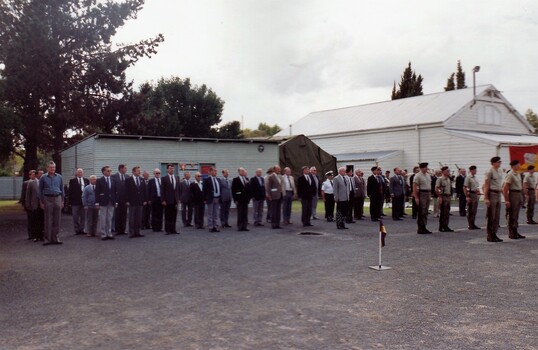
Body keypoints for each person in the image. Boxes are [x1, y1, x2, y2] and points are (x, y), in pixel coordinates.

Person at [38, 161, 65, 245]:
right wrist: (41, 202)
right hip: (47, 199)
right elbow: (40, 190)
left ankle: (55, 238)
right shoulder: (43, 177)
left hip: (57, 198)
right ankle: (47, 239)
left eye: (53, 167)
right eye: (50, 167)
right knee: (48, 219)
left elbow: (62, 189)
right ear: (47, 168)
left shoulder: (59, 177)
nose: (52, 169)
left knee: (57, 219)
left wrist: (62, 201)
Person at [503, 160, 525, 240]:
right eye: (518, 165)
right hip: (513, 194)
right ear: (513, 166)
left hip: (518, 194)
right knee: (512, 214)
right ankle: (511, 233)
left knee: (516, 215)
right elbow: (505, 188)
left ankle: (515, 231)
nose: (519, 166)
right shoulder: (510, 174)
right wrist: (507, 200)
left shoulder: (517, 173)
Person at [484, 157, 504, 242]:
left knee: (497, 216)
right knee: (491, 215)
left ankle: (494, 233)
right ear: (494, 163)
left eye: (500, 161)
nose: (500, 163)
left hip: (498, 194)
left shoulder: (499, 171)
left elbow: (500, 184)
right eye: (498, 162)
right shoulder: (489, 172)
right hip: (492, 194)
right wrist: (486, 198)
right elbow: (486, 185)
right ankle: (490, 235)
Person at [95, 166, 117, 240]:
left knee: (109, 218)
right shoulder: (99, 180)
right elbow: (97, 192)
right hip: (103, 201)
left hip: (111, 201)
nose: (109, 172)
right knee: (103, 218)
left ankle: (109, 233)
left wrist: (116, 201)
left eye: (110, 171)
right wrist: (97, 203)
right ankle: (103, 234)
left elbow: (115, 191)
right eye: (108, 171)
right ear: (104, 171)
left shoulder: (113, 180)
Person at [126, 166, 147, 238]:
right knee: (131, 218)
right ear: (133, 171)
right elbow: (126, 191)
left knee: (139, 217)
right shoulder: (128, 180)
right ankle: (131, 232)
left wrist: (145, 200)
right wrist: (127, 200)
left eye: (139, 170)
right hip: (132, 202)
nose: (139, 172)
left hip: (140, 201)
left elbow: (145, 191)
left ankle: (138, 231)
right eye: (138, 170)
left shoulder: (142, 179)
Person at [68, 168, 89, 235]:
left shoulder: (86, 180)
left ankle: (82, 229)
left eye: (81, 172)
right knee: (75, 216)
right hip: (75, 201)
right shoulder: (72, 181)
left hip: (83, 201)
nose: (80, 173)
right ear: (76, 173)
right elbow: (70, 192)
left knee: (83, 216)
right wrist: (70, 202)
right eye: (79, 172)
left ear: (83, 173)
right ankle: (77, 229)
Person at [413, 162, 432, 234]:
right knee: (422, 211)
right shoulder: (418, 176)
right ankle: (420, 228)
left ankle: (424, 226)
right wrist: (416, 197)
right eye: (425, 167)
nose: (426, 168)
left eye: (426, 167)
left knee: (426, 211)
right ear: (421, 168)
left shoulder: (428, 175)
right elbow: (414, 187)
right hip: (422, 193)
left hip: (428, 193)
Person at [161, 163, 180, 235]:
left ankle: (173, 229)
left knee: (174, 215)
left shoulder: (177, 178)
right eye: (170, 168)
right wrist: (163, 200)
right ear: (167, 169)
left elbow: (178, 189)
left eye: (172, 168)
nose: (171, 170)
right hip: (167, 200)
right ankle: (168, 230)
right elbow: (162, 190)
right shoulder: (164, 178)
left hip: (175, 200)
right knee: (168, 215)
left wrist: (178, 198)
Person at [24, 170, 43, 241]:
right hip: (34, 204)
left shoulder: (42, 182)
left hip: (41, 204)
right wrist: (28, 205)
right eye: (40, 173)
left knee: (41, 221)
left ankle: (41, 235)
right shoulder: (31, 183)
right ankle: (35, 236)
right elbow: (28, 195)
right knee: (34, 221)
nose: (41, 175)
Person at [112, 164, 129, 235]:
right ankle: (118, 230)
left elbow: (129, 189)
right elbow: (112, 189)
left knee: (124, 215)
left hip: (125, 199)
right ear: (121, 169)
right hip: (117, 199)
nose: (126, 170)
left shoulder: (127, 177)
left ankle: (123, 229)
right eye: (125, 168)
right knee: (117, 214)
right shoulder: (113, 177)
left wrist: (128, 200)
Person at [203, 166, 221, 232]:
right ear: (210, 172)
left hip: (217, 198)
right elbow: (204, 190)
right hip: (210, 198)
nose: (215, 172)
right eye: (214, 171)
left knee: (216, 213)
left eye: (216, 171)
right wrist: (204, 199)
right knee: (210, 213)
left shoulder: (218, 179)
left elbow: (220, 188)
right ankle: (210, 226)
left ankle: (215, 226)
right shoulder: (207, 180)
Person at [436, 166, 454, 232]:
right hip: (443, 196)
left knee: (447, 212)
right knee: (443, 212)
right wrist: (440, 197)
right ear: (443, 172)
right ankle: (441, 226)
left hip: (448, 196)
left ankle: (446, 225)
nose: (448, 172)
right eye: (447, 171)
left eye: (448, 171)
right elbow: (437, 188)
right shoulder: (440, 179)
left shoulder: (448, 179)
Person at [463, 165, 481, 230]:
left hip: (475, 194)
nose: (475, 171)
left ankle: (473, 223)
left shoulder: (475, 178)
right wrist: (467, 196)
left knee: (474, 210)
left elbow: (476, 187)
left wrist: (478, 191)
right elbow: (465, 187)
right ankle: (470, 224)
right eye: (474, 170)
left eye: (475, 170)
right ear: (471, 170)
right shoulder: (468, 178)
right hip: (470, 194)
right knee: (470, 210)